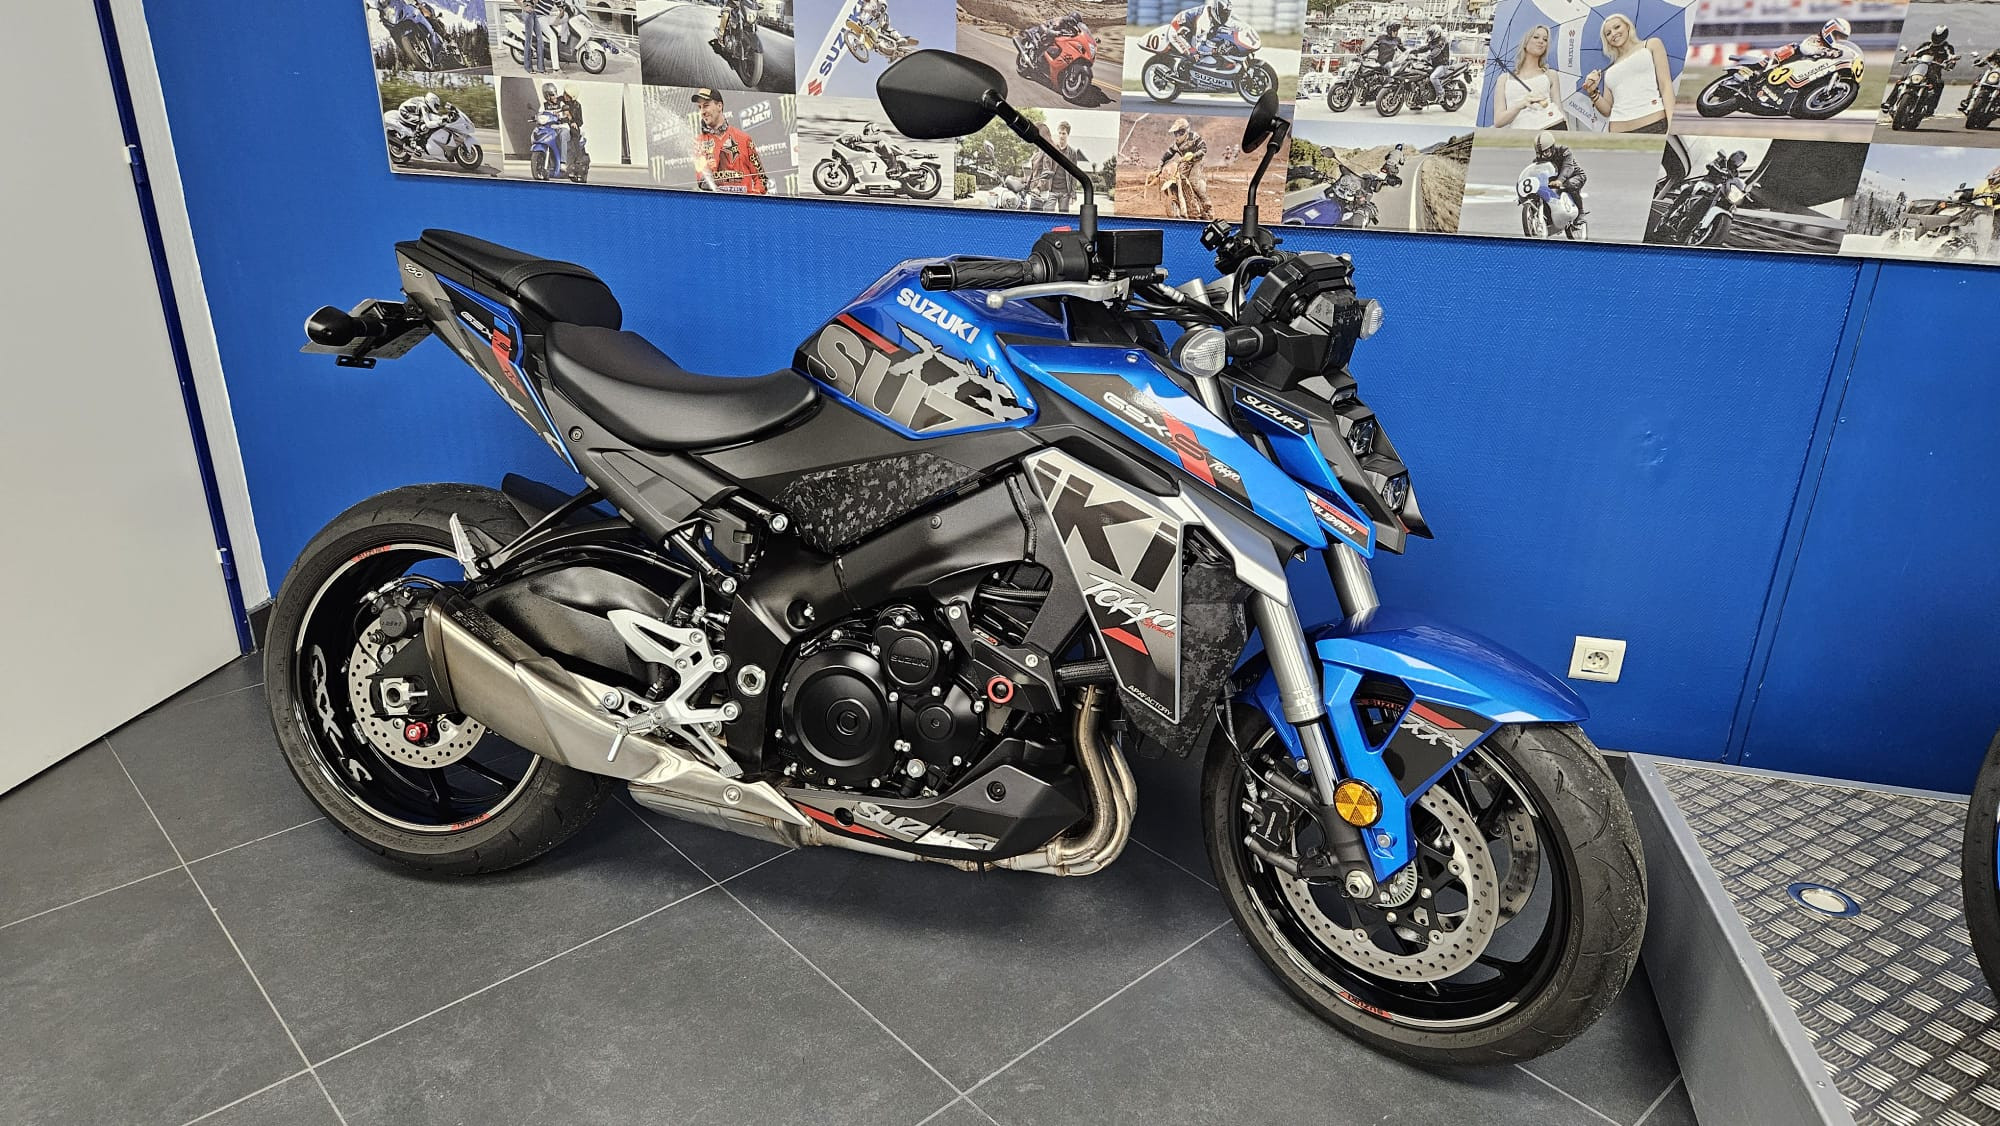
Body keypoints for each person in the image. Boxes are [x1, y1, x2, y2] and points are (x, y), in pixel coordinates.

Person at [1582, 14, 1675, 132]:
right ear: (1606, 40)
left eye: (1617, 27)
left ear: (1627, 26)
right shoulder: (1609, 70)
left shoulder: (1651, 45)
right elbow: (1607, 111)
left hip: (1654, 125)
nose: (1613, 33)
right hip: (1618, 133)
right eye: (1608, 33)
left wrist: (1672, 124)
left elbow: (1665, 85)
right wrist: (1592, 92)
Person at [1754, 18, 1851, 108]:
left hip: (1804, 75)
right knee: (1793, 47)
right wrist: (1826, 52)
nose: (1839, 40)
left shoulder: (1835, 51)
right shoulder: (1816, 39)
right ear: (1829, 31)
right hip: (1792, 63)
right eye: (1837, 36)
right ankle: (1764, 73)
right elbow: (1806, 48)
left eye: (1842, 38)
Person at [691, 87, 768, 194]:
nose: (702, 112)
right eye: (700, 107)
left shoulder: (744, 139)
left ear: (719, 106)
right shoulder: (699, 143)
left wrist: (751, 198)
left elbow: (761, 179)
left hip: (743, 203)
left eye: (706, 106)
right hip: (717, 203)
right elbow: (702, 180)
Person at [1495, 24, 1564, 130]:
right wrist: (1520, 105)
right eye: (1536, 37)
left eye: (1545, 39)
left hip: (1552, 125)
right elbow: (1498, 121)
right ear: (1525, 43)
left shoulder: (1550, 74)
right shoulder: (1504, 79)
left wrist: (1568, 135)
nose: (1541, 41)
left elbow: (1559, 110)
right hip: (1522, 133)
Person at [1152, 117, 1212, 220]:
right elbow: (1165, 157)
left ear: (1186, 131)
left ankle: (1206, 201)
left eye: (1180, 132)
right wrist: (1159, 168)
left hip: (1197, 162)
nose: (1177, 135)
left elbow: (1204, 149)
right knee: (1179, 178)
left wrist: (1194, 155)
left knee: (1193, 181)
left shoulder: (1194, 137)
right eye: (1176, 133)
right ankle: (1186, 203)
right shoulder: (1175, 145)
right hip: (1185, 162)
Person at [1889, 26, 1957, 113]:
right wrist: (1907, 58)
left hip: (1934, 72)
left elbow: (1951, 57)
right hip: (1919, 68)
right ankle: (1889, 103)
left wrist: (1951, 63)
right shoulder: (1927, 45)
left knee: (1939, 84)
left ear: (1944, 37)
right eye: (1935, 36)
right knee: (1902, 80)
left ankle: (1930, 108)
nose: (1936, 38)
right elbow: (1915, 53)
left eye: (1939, 37)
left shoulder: (1947, 48)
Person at [1028, 119, 1088, 210]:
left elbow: (1074, 174)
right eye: (1060, 133)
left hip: (1065, 191)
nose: (1061, 136)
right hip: (1052, 189)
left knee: (1063, 214)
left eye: (1064, 133)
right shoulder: (1052, 148)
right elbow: (1046, 168)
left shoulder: (1072, 153)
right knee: (1048, 212)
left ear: (1068, 134)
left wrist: (1073, 194)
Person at [1533, 130, 1586, 217]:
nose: (1543, 156)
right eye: (1539, 153)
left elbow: (1568, 167)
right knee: (1542, 191)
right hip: (1556, 180)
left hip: (1576, 175)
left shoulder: (1564, 151)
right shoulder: (1538, 161)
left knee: (1570, 185)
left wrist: (1559, 180)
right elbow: (1535, 175)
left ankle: (1580, 213)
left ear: (1552, 147)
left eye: (1546, 152)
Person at [1170, 1, 1239, 66]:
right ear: (1216, 10)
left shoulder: (1210, 12)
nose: (1226, 16)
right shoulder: (1203, 20)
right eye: (1223, 13)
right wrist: (1214, 51)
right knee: (1194, 56)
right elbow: (1197, 46)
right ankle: (1179, 67)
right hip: (1177, 31)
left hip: (1189, 30)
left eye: (1227, 13)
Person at [1019, 9, 1087, 67]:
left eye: (1075, 23)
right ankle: (1034, 54)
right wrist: (1056, 32)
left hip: (1055, 34)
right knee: (1046, 38)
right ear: (1070, 19)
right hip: (1046, 28)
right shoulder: (1061, 20)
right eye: (1073, 22)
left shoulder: (1072, 28)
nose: (1073, 24)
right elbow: (1050, 29)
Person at [541, 81, 583, 170]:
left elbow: (577, 120)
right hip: (555, 125)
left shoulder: (577, 105)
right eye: (564, 93)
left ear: (572, 97)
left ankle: (575, 158)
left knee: (573, 135)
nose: (565, 96)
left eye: (568, 95)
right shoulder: (559, 100)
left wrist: (573, 121)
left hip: (569, 125)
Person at [1414, 24, 1454, 107]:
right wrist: (1414, 51)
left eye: (1430, 34)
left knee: (1433, 77)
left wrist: (1429, 56)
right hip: (1434, 65)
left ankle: (1441, 94)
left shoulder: (1442, 40)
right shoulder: (1432, 42)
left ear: (1435, 33)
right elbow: (1425, 48)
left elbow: (1437, 50)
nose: (1429, 36)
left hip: (1443, 65)